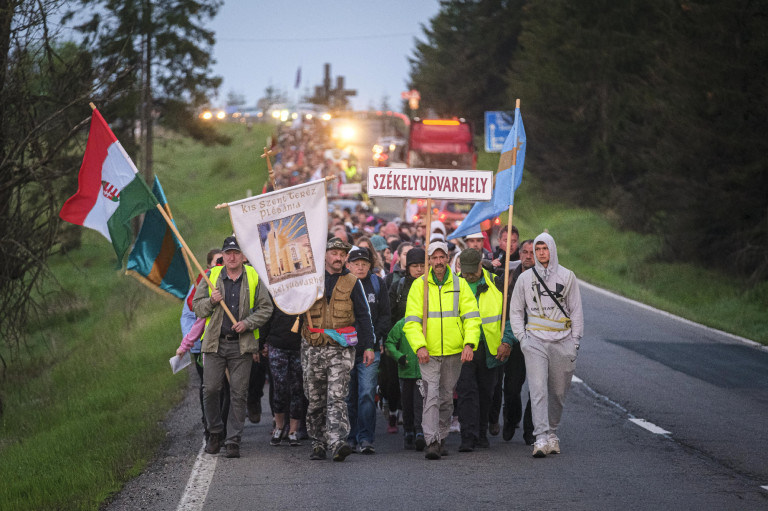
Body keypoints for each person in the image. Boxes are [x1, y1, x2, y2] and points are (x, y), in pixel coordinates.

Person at [193, 236, 273, 458]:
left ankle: (233, 440)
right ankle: (215, 432)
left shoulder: (254, 276)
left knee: (239, 394)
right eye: (228, 252)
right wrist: (211, 301)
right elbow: (197, 308)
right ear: (224, 255)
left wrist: (248, 323)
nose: (231, 256)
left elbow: (266, 309)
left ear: (243, 256)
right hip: (215, 344)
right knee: (210, 390)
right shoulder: (212, 276)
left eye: (236, 252)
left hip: (242, 345)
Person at [403, 241, 481, 460]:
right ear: (429, 260)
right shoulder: (420, 286)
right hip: (428, 353)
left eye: (442, 257)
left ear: (448, 258)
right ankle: (432, 441)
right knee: (430, 397)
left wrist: (469, 344)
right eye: (434, 258)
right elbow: (411, 321)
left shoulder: (460, 284)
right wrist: (419, 346)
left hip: (454, 352)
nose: (438, 262)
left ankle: (442, 436)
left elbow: (472, 318)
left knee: (446, 398)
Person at [508, 232, 584, 458]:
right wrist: (523, 338)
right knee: (538, 388)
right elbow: (515, 310)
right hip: (535, 341)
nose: (541, 253)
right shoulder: (524, 278)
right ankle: (539, 436)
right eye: (537, 250)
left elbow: (576, 310)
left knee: (558, 392)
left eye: (544, 249)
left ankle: (552, 432)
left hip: (562, 341)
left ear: (552, 250)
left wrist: (575, 342)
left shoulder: (567, 276)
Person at [301, 238, 376, 462]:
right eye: (334, 253)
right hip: (313, 347)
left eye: (342, 254)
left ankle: (337, 442)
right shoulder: (310, 279)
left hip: (341, 348)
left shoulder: (353, 282)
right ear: (324, 255)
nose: (338, 257)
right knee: (315, 399)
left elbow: (363, 316)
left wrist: (369, 345)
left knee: (337, 397)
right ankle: (318, 442)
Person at [455, 249, 508, 452]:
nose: (468, 276)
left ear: (480, 265)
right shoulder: (454, 286)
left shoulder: (495, 283)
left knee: (486, 392)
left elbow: (508, 316)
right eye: (465, 271)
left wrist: (507, 341)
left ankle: (482, 432)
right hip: (464, 348)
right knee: (467, 392)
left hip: (489, 348)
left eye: (472, 271)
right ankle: (468, 436)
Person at [177, 248, 227, 442]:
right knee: (209, 387)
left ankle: (224, 429)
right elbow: (191, 315)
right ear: (209, 266)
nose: (221, 264)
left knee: (227, 389)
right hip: (203, 347)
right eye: (217, 261)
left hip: (226, 345)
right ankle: (210, 425)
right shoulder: (200, 285)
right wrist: (189, 343)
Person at [344, 247, 390, 454]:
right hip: (345, 349)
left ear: (370, 265)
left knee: (366, 393)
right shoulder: (341, 284)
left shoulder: (377, 283)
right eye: (356, 263)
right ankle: (349, 437)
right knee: (347, 396)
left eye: (364, 263)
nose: (360, 267)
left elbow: (385, 316)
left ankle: (365, 438)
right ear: (348, 265)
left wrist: (373, 340)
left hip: (370, 350)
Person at [493, 239, 535, 444]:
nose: (528, 256)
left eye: (532, 252)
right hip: (516, 338)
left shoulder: (545, 278)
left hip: (539, 339)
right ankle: (511, 418)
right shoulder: (509, 277)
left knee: (538, 388)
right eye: (525, 252)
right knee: (511, 388)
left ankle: (531, 429)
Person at [262, 302, 305, 447]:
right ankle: (279, 427)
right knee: (280, 388)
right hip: (277, 345)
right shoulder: (276, 292)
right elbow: (267, 317)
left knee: (297, 389)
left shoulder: (305, 293)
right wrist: (261, 343)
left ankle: (293, 431)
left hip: (299, 346)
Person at [384, 317, 424, 451]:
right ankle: (408, 432)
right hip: (406, 371)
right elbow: (389, 343)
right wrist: (399, 356)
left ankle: (420, 432)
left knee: (420, 403)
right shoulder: (401, 324)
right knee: (407, 403)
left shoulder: (426, 323)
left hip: (422, 371)